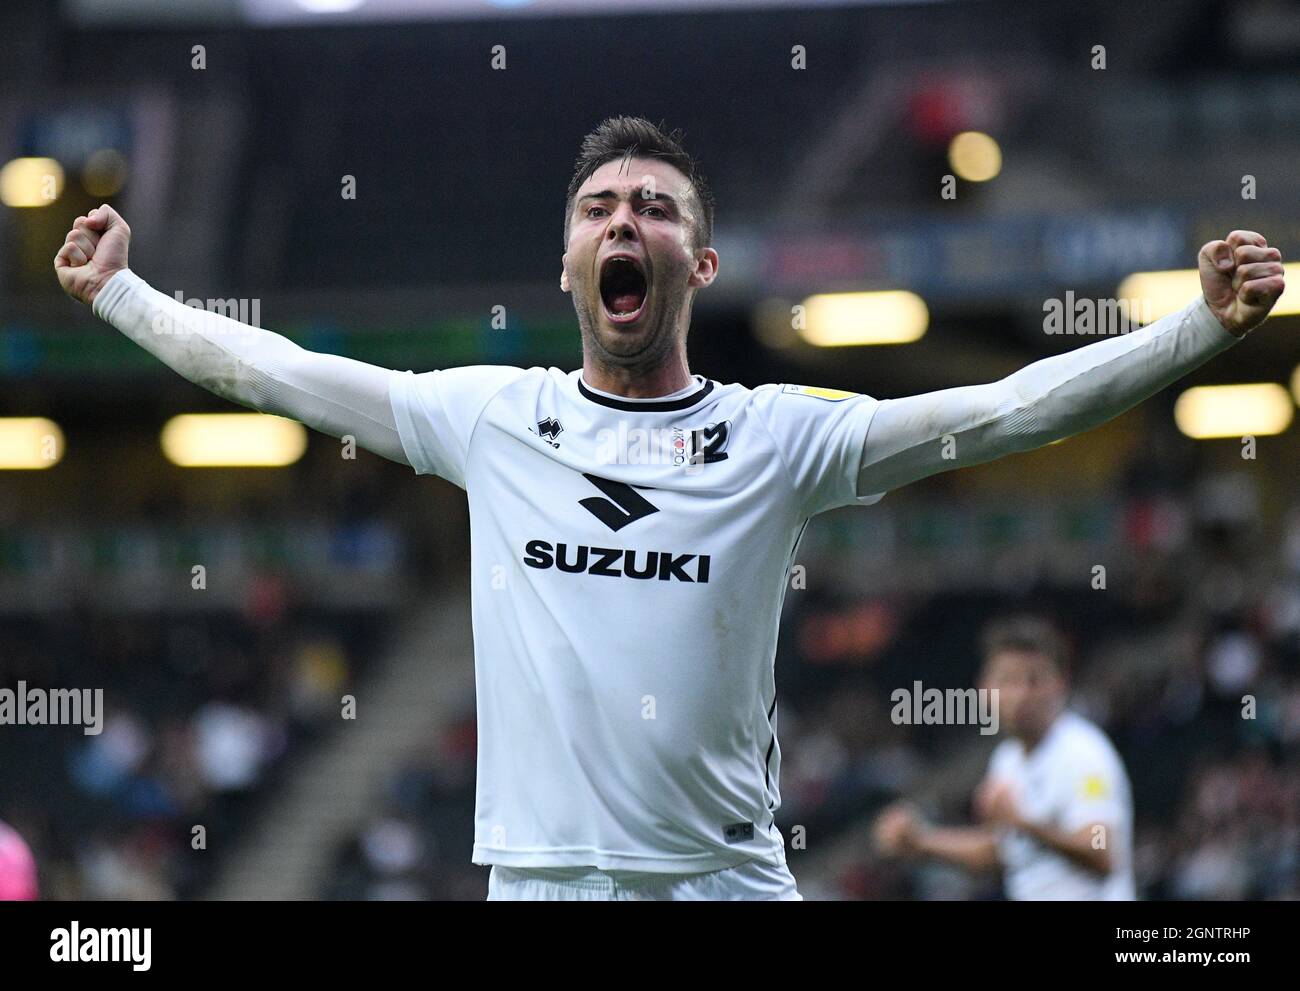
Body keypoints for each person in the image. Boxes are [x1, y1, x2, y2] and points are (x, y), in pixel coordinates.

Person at [54, 116, 1284, 900]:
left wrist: (1193, 328)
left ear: (698, 265)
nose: (622, 221)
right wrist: (124, 298)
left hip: (724, 880)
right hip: (543, 884)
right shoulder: (488, 417)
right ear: (568, 263)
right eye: (598, 208)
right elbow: (276, 374)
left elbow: (1006, 410)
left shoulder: (776, 437)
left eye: (652, 208)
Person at [874, 616, 1136, 899]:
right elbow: (1001, 850)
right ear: (984, 689)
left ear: (1060, 684)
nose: (1021, 694)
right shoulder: (1007, 759)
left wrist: (1023, 822)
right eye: (1007, 680)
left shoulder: (1085, 755)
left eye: (1034, 680)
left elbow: (1102, 853)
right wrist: (920, 842)